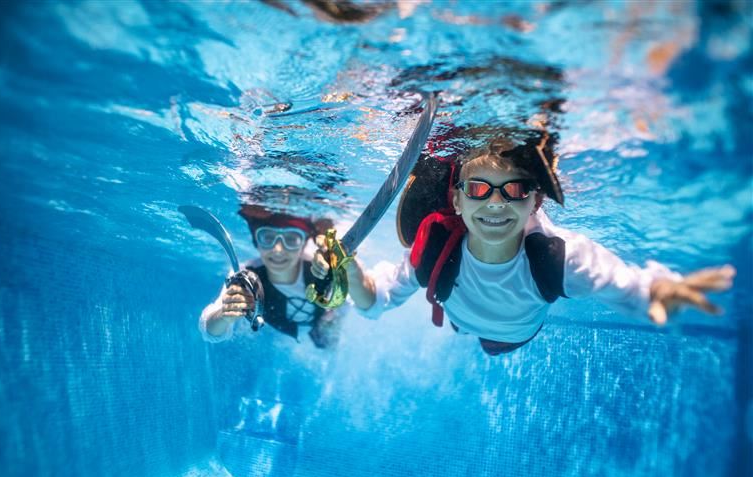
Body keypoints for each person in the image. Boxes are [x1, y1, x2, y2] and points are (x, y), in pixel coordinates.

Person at [311, 131, 736, 355]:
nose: (496, 203)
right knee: (466, 327)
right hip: (463, 319)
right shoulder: (436, 244)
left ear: (534, 202)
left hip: (518, 333)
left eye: (513, 190)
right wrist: (347, 267)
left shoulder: (555, 256)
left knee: (496, 345)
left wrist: (661, 291)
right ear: (456, 200)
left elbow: (628, 286)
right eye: (479, 189)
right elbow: (375, 300)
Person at [200, 204, 341, 349]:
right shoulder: (245, 276)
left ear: (303, 244)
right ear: (256, 241)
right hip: (281, 324)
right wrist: (223, 315)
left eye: (291, 239)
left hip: (321, 319)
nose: (278, 250)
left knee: (327, 342)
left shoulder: (320, 266)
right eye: (267, 238)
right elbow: (209, 331)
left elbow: (362, 300)